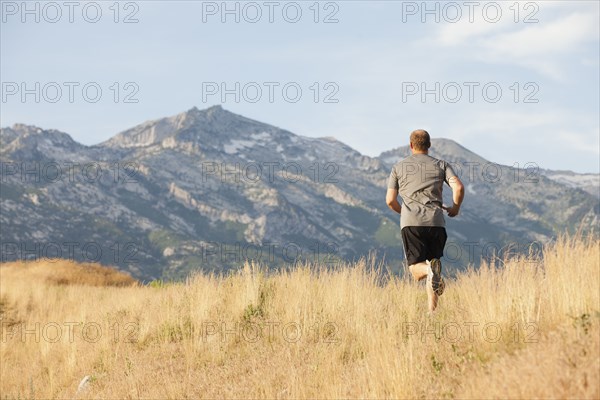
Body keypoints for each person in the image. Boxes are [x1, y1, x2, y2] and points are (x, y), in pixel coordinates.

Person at [386, 129, 464, 312]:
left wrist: (404, 213)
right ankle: (432, 312)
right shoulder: (442, 165)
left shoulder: (398, 167)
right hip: (436, 223)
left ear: (411, 145)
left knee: (416, 269)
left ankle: (430, 271)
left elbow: (390, 200)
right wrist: (455, 208)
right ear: (429, 145)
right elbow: (458, 188)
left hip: (412, 222)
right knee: (433, 263)